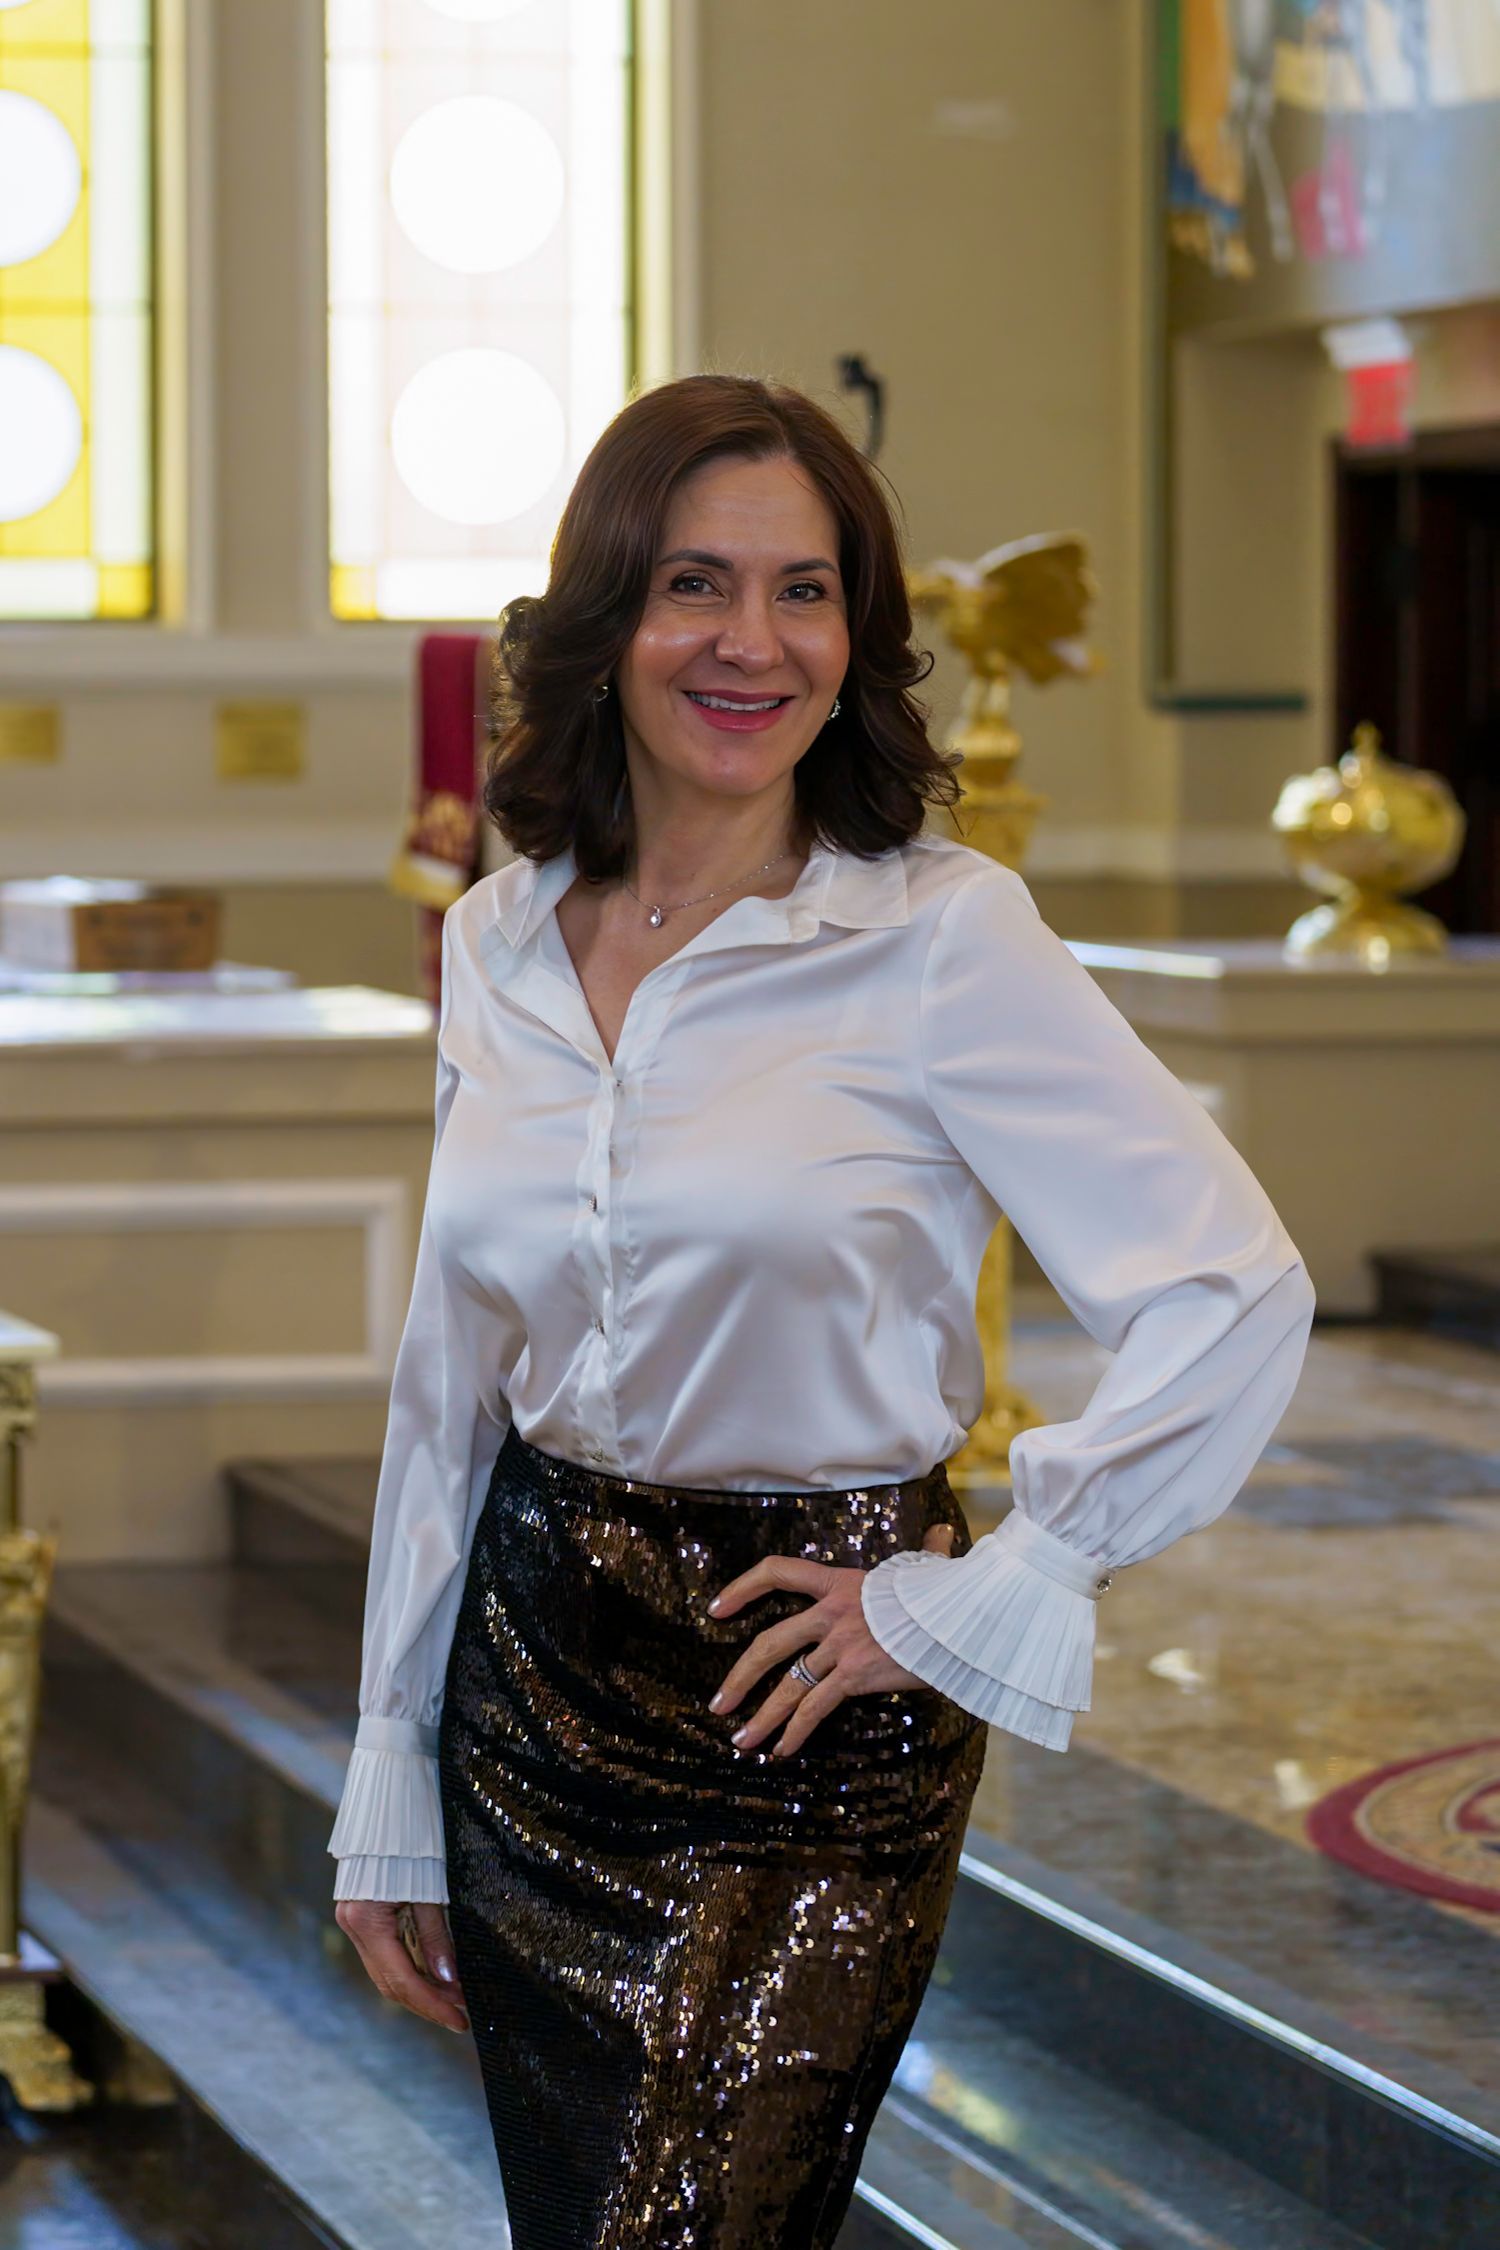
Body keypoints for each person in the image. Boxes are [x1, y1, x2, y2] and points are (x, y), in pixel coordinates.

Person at [329, 373, 1315, 2248]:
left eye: (805, 591)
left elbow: (1233, 1286)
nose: (749, 641)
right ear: (608, 615)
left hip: (799, 1709)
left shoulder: (943, 935)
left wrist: (993, 1586)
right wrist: (388, 1759)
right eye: (696, 582)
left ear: (855, 637)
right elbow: (449, 1380)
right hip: (527, 1684)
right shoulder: (500, 933)